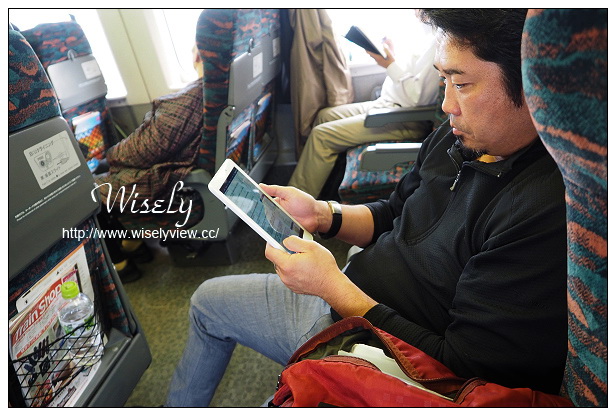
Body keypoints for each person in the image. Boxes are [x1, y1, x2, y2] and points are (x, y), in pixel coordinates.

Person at [166, 9, 567, 406]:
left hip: (373, 347)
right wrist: (321, 214)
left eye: (461, 84)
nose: (447, 104)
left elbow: (461, 369)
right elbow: (394, 213)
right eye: (442, 80)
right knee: (209, 299)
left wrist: (332, 288)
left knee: (210, 308)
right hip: (352, 293)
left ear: (532, 84)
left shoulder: (540, 210)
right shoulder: (458, 137)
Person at [288, 12, 441, 198]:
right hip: (388, 104)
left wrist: (389, 64)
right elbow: (410, 76)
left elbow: (418, 97)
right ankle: (322, 191)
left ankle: (291, 205)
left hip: (405, 117)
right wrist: (392, 56)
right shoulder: (424, 33)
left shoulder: (437, 43)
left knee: (321, 136)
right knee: (324, 116)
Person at [94, 45, 205, 282]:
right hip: (185, 165)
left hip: (170, 179)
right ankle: (134, 244)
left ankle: (121, 263)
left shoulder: (186, 102)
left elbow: (141, 151)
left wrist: (111, 155)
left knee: (90, 190)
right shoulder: (223, 89)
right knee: (103, 169)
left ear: (197, 56)